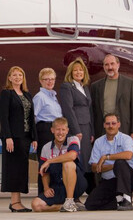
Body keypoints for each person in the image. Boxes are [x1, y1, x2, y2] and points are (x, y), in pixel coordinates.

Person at [0, 66, 37, 212]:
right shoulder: (6, 94)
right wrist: (8, 137)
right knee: (14, 169)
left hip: (25, 137)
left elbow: (31, 117)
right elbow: (4, 117)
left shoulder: (27, 95)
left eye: (20, 75)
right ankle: (15, 202)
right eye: (14, 75)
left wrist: (34, 137)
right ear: (9, 77)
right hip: (13, 137)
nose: (17, 77)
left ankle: (18, 201)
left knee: (22, 169)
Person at [85, 113, 133, 211]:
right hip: (110, 181)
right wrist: (113, 166)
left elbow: (128, 155)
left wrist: (106, 157)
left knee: (120, 162)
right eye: (108, 123)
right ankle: (118, 202)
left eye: (113, 123)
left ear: (119, 124)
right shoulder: (98, 142)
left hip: (129, 179)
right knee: (90, 205)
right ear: (104, 125)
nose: (110, 126)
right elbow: (94, 167)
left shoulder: (126, 138)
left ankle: (126, 199)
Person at [31, 117, 87, 212]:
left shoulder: (73, 139)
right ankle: (64, 206)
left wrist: (49, 161)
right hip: (58, 186)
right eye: (57, 129)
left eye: (63, 129)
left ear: (67, 130)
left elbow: (73, 155)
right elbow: (44, 172)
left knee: (68, 163)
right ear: (52, 130)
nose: (60, 133)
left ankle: (69, 201)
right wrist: (46, 188)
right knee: (36, 205)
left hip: (77, 184)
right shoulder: (46, 147)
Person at [59, 57, 95, 193]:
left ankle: (87, 187)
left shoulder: (85, 87)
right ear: (71, 72)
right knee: (78, 158)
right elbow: (68, 109)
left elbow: (89, 109)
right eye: (75, 70)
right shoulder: (67, 86)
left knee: (87, 158)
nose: (78, 72)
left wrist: (91, 131)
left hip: (86, 127)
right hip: (77, 127)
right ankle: (76, 190)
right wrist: (76, 130)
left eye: (81, 70)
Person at [91, 54, 133, 144]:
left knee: (121, 156)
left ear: (118, 65)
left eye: (112, 64)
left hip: (123, 129)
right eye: (106, 64)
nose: (110, 67)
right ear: (103, 66)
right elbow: (93, 110)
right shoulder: (96, 86)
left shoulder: (129, 83)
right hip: (102, 130)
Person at [33, 68, 63, 193]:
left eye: (52, 79)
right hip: (44, 131)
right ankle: (42, 191)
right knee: (45, 162)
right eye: (46, 79)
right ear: (41, 81)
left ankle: (54, 191)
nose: (49, 82)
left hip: (55, 130)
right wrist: (34, 136)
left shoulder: (53, 97)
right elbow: (32, 117)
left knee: (54, 162)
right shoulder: (40, 97)